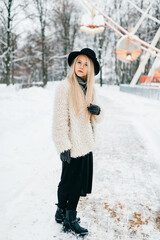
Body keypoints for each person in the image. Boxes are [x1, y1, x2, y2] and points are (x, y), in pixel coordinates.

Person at [52, 48, 103, 236]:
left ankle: (62, 212)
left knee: (75, 181)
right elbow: (59, 119)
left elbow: (96, 117)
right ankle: (69, 220)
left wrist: (98, 112)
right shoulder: (64, 87)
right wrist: (63, 145)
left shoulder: (90, 88)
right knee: (69, 182)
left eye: (86, 64)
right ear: (74, 64)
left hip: (86, 143)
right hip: (72, 145)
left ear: (90, 70)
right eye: (79, 62)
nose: (81, 66)